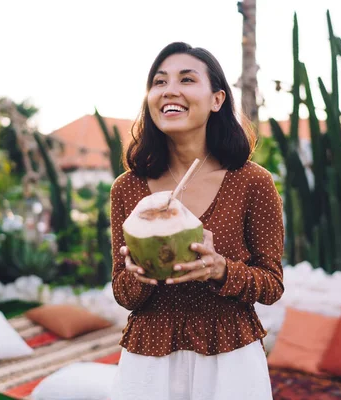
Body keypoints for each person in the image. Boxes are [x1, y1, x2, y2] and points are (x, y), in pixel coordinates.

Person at [109, 41, 284, 400]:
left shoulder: (253, 182)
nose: (170, 89)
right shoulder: (127, 188)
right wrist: (141, 274)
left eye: (187, 79)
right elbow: (122, 292)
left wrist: (220, 270)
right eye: (159, 82)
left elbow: (272, 285)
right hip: (149, 359)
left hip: (230, 357)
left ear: (217, 99)